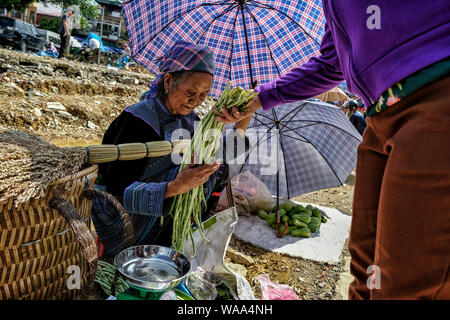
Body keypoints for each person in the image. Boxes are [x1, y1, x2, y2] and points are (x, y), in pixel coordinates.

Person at [232, 1, 450, 299]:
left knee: (406, 279)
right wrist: (259, 98)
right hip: (380, 117)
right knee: (366, 264)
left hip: (435, 97)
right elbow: (332, 63)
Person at [92, 41, 252, 255]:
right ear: (168, 81)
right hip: (125, 224)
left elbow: (220, 154)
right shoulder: (137, 121)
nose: (196, 101)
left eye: (204, 94)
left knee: (217, 167)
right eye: (191, 92)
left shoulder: (188, 120)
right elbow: (117, 190)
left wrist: (244, 117)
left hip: (163, 222)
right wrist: (175, 187)